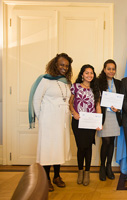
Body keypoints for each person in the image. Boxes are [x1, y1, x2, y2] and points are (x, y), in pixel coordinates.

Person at [29, 53, 73, 192]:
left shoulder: (66, 81)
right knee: (48, 149)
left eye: (66, 65)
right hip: (48, 120)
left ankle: (57, 176)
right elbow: (36, 100)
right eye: (61, 64)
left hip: (62, 121)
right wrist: (41, 118)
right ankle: (46, 178)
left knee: (58, 147)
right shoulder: (45, 80)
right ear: (55, 64)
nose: (64, 67)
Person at [69, 64, 101, 186]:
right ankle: (80, 171)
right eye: (87, 73)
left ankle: (87, 172)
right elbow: (70, 103)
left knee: (88, 147)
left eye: (91, 73)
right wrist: (74, 112)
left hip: (91, 122)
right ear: (82, 74)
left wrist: (98, 122)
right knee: (81, 147)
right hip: (78, 121)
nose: (89, 75)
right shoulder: (75, 87)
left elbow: (97, 106)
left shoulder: (96, 89)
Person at [97, 59, 122, 181]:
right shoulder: (98, 82)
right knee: (105, 142)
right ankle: (102, 167)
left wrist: (119, 108)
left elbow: (122, 100)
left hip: (115, 117)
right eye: (109, 68)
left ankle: (108, 167)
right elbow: (95, 99)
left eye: (113, 69)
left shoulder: (119, 83)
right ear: (104, 69)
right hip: (104, 116)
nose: (111, 71)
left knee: (112, 142)